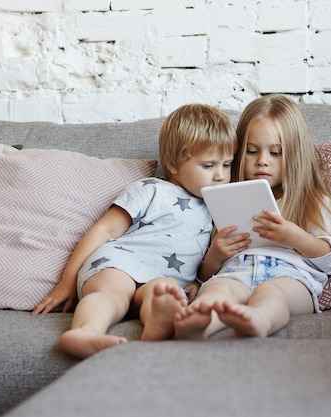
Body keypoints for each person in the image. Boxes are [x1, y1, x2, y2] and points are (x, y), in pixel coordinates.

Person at [32, 104, 237, 358]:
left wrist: (199, 278)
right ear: (172, 164)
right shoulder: (152, 189)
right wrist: (67, 281)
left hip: (161, 276)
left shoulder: (216, 209)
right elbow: (104, 230)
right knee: (112, 295)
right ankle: (86, 331)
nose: (220, 176)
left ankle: (156, 325)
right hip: (120, 263)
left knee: (164, 291)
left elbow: (200, 262)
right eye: (208, 166)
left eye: (227, 165)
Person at [174, 95, 331, 339]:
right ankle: (199, 324)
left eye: (275, 153)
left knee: (272, 293)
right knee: (218, 288)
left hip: (292, 277)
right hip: (236, 271)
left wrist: (297, 238)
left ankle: (259, 320)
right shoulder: (223, 198)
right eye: (251, 151)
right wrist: (215, 255)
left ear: (295, 155)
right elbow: (206, 275)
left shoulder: (314, 201)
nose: (262, 161)